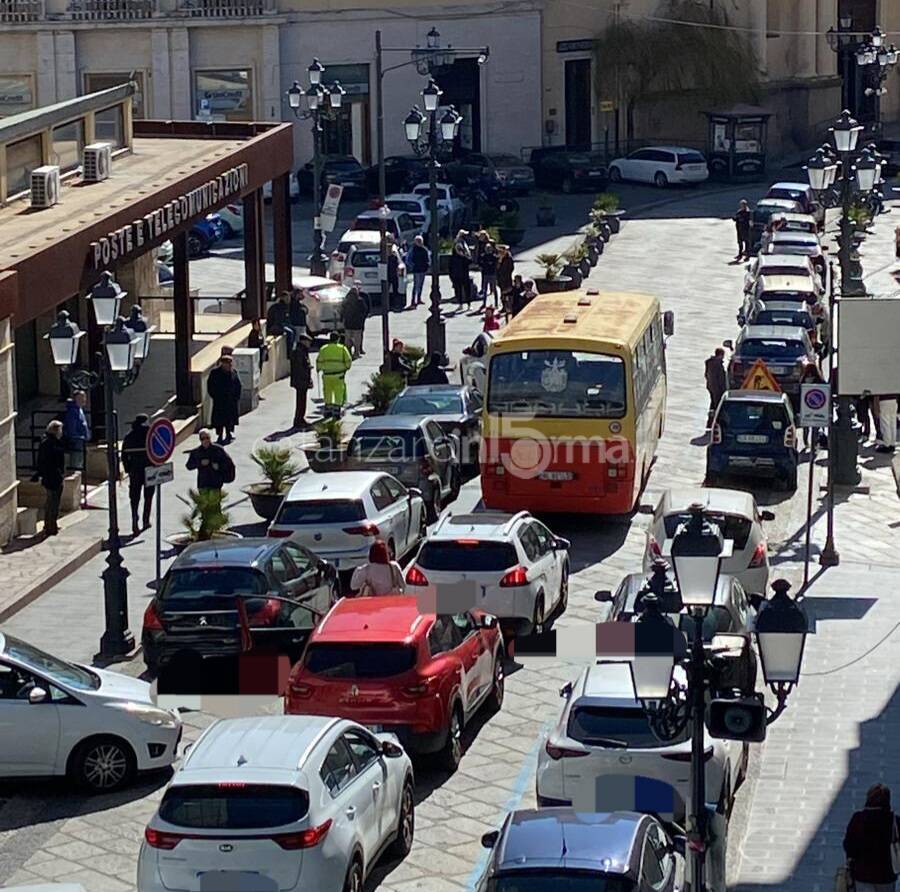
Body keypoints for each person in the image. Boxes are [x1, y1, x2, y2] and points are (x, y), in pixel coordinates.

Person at [843, 783, 900, 892]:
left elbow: (849, 846)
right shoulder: (895, 821)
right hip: (886, 876)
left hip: (862, 874)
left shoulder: (858, 819)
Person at [121, 414, 154, 535]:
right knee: (148, 496)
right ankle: (146, 520)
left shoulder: (129, 436)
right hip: (150, 469)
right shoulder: (150, 434)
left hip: (135, 470)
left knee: (134, 497)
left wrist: (128, 469)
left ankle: (135, 520)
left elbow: (124, 455)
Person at [33, 420, 66, 537]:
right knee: (53, 503)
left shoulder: (46, 442)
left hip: (49, 477)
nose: (61, 432)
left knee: (51, 502)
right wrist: (60, 475)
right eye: (60, 430)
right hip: (53, 477)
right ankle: (51, 526)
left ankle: (49, 525)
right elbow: (55, 462)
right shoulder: (52, 444)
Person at [207, 353, 241, 444]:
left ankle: (228, 434)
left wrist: (236, 397)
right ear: (222, 363)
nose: (229, 365)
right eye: (227, 363)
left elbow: (238, 385)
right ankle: (220, 435)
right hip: (220, 401)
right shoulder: (215, 373)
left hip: (230, 402)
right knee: (219, 420)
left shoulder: (233, 373)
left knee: (230, 420)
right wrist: (215, 396)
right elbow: (210, 386)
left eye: (230, 363)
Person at [317, 331, 352, 418]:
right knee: (338, 393)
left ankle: (328, 410)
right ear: (338, 339)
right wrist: (346, 368)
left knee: (327, 392)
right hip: (338, 375)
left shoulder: (323, 348)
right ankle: (336, 412)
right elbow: (348, 361)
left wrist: (319, 369)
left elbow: (319, 361)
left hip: (326, 375)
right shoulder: (342, 348)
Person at [61, 390, 90, 472]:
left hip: (81, 441)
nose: (84, 400)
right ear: (76, 399)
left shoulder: (79, 410)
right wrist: (78, 438)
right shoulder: (72, 411)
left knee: (79, 463)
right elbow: (71, 427)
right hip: (76, 441)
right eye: (82, 398)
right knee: (76, 464)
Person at [290, 331, 314, 428]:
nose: (309, 344)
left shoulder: (301, 350)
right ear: (304, 341)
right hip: (300, 380)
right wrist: (307, 378)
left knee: (301, 401)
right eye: (308, 342)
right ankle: (299, 420)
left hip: (300, 380)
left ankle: (300, 419)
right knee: (301, 402)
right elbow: (300, 367)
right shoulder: (299, 351)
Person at [342, 284, 368, 360]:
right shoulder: (360, 300)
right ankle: (356, 352)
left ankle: (348, 352)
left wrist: (343, 319)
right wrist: (362, 319)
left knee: (348, 340)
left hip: (348, 324)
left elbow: (342, 311)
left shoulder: (346, 301)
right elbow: (364, 310)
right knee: (357, 340)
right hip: (357, 324)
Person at [704, 347, 727, 426]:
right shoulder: (717, 365)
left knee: (713, 404)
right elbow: (719, 378)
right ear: (720, 355)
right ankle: (714, 422)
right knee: (716, 405)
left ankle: (710, 422)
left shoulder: (710, 363)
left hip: (711, 387)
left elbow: (706, 375)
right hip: (717, 388)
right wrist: (723, 389)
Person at [449, 231, 472, 306]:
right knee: (459, 288)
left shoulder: (464, 246)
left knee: (466, 288)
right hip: (458, 273)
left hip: (463, 272)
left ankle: (468, 303)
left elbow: (469, 260)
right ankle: (461, 303)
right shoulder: (457, 247)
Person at [407, 235, 430, 307]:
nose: (419, 242)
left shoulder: (424, 249)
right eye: (418, 241)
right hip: (416, 269)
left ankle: (419, 299)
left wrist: (428, 265)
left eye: (420, 241)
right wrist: (412, 266)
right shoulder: (413, 250)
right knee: (416, 285)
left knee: (421, 285)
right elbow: (408, 259)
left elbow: (428, 258)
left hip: (423, 269)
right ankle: (413, 301)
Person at [479, 241, 499, 307]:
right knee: (485, 290)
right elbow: (480, 264)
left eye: (489, 249)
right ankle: (484, 303)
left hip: (492, 274)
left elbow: (497, 264)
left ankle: (496, 303)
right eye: (487, 249)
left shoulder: (494, 257)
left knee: (494, 289)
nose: (488, 250)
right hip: (486, 274)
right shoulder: (483, 256)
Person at [497, 244, 514, 316]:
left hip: (507, 279)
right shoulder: (499, 259)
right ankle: (504, 307)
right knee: (502, 294)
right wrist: (500, 261)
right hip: (501, 279)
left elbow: (511, 268)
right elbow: (497, 268)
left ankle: (509, 307)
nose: (501, 253)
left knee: (508, 293)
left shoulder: (509, 258)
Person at [386, 237, 402, 310]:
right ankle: (387, 306)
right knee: (386, 292)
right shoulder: (385, 258)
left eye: (390, 248)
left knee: (396, 292)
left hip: (394, 276)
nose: (389, 250)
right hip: (387, 276)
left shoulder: (394, 257)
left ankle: (396, 305)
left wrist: (398, 270)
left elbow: (398, 265)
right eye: (388, 248)